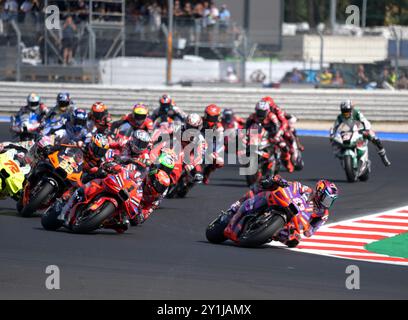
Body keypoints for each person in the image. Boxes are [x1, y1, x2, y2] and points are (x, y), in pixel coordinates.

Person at [223, 176, 339, 247]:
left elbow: (310, 232)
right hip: (282, 203)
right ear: (320, 192)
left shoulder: (323, 214)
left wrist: (308, 229)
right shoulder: (306, 190)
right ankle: (236, 207)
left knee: (294, 241)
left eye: (331, 201)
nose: (328, 203)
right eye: (327, 198)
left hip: (294, 222)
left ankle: (268, 233)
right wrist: (280, 181)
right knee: (263, 189)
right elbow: (292, 185)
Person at [330, 100, 391, 167]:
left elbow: (364, 121)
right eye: (344, 112)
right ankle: (339, 154)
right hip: (347, 132)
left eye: (347, 111)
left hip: (359, 130)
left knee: (374, 138)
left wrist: (366, 129)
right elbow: (335, 126)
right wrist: (333, 133)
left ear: (351, 109)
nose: (346, 113)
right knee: (335, 140)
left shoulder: (356, 113)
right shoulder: (340, 117)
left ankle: (383, 156)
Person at [201, 104, 224, 184]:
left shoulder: (219, 128)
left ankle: (207, 173)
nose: (210, 119)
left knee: (219, 162)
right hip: (196, 142)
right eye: (208, 116)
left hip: (210, 145)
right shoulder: (200, 121)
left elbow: (220, 142)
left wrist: (217, 153)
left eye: (213, 117)